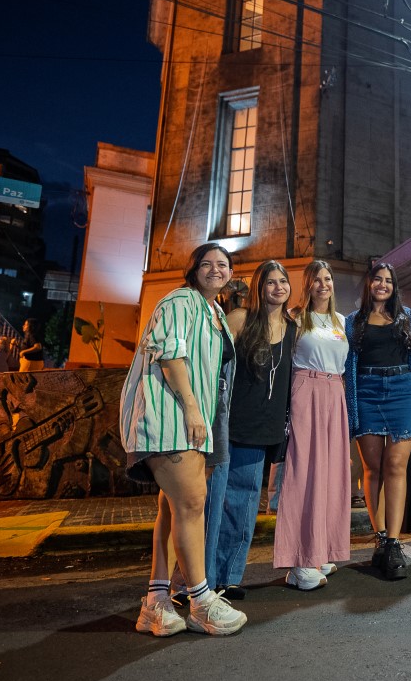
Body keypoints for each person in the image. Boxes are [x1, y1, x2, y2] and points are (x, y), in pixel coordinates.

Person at [119, 242, 246, 636]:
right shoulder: (179, 301)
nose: (215, 270)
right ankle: (201, 600)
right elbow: (171, 355)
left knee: (173, 507)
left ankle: (155, 602)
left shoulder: (215, 311)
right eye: (206, 264)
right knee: (192, 504)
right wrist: (192, 408)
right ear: (193, 271)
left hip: (193, 419)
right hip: (172, 416)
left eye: (222, 265)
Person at [205, 260, 296, 599]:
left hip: (264, 429)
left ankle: (229, 577)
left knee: (243, 506)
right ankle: (198, 580)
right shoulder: (240, 319)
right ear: (259, 287)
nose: (278, 287)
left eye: (283, 281)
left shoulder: (292, 327)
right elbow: (214, 366)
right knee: (213, 504)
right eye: (270, 282)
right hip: (228, 426)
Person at [272, 260, 351, 590]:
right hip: (306, 391)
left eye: (328, 278)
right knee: (304, 474)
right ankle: (299, 561)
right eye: (316, 279)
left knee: (331, 475)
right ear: (307, 284)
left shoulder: (340, 320)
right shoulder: (294, 318)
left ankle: (318, 551)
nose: (323, 283)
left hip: (335, 393)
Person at [345, 262, 411, 580]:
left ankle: (394, 542)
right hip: (367, 391)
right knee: (373, 469)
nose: (383, 285)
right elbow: (348, 363)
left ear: (394, 287)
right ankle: (380, 539)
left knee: (396, 467)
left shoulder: (408, 318)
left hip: (402, 391)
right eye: (378, 279)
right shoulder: (353, 321)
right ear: (369, 283)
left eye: (389, 280)